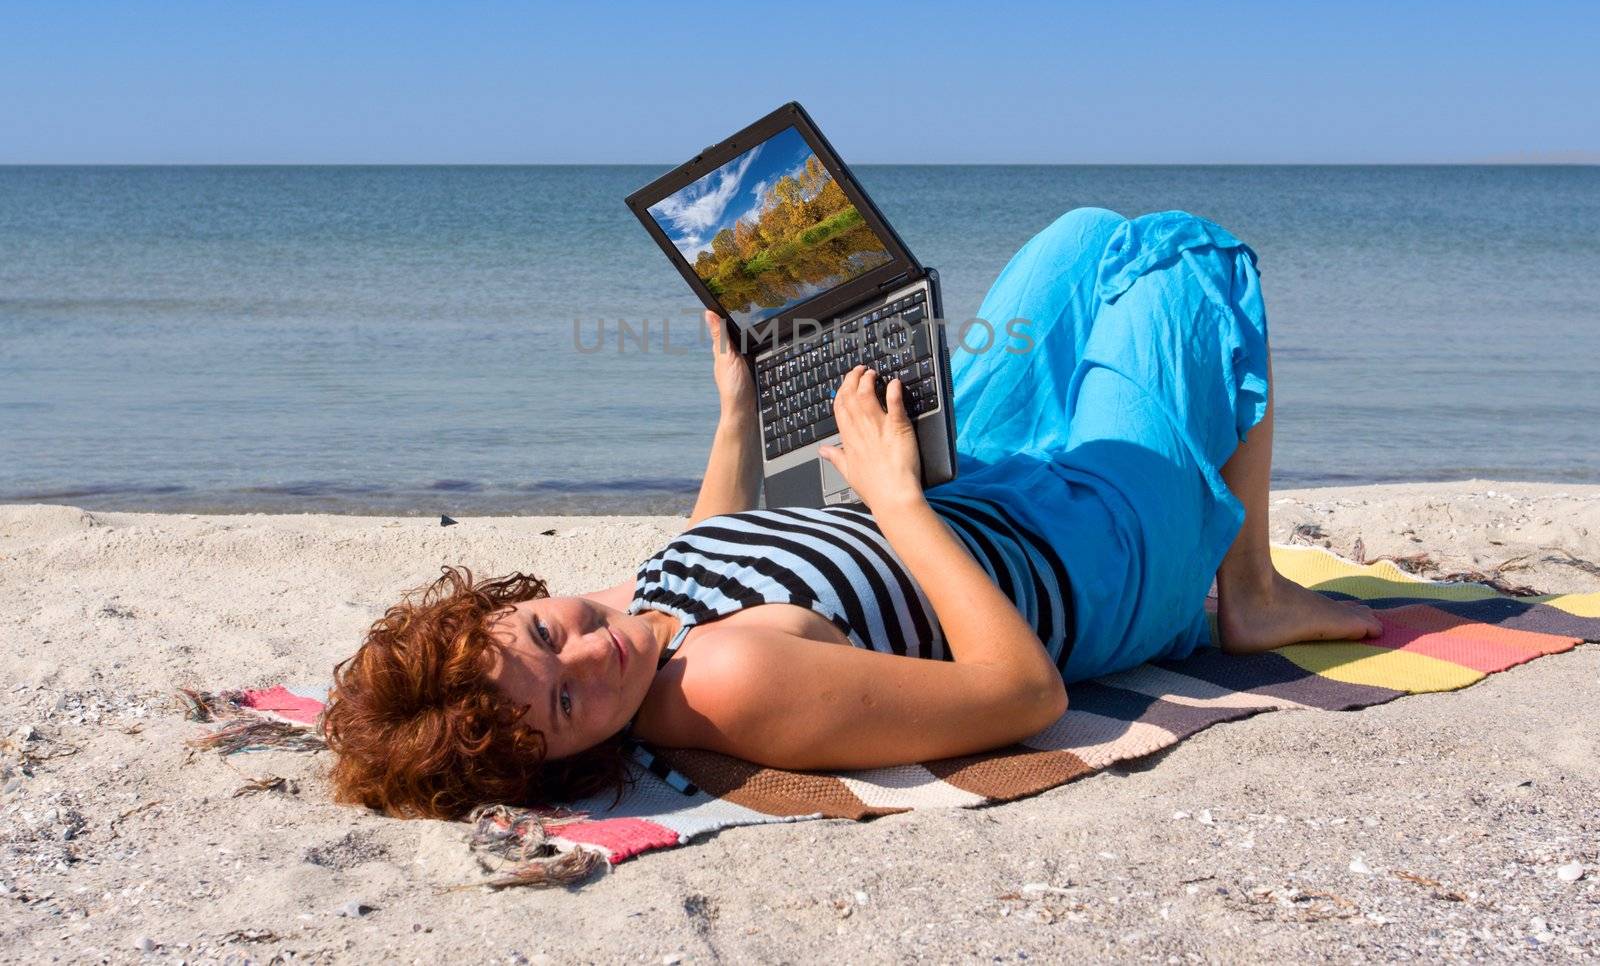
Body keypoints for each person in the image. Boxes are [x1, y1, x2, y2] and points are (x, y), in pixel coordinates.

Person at [324, 207, 1381, 819]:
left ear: (520, 604)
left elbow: (698, 556)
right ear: (567, 763)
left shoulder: (627, 627)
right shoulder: (724, 688)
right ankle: (1246, 591)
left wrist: (737, 412)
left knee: (1087, 238)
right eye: (564, 707)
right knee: (1191, 259)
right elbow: (1022, 693)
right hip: (1093, 562)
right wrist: (891, 495)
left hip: (967, 494)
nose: (588, 656)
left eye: (549, 632)